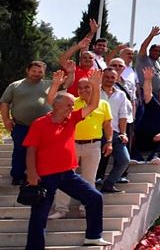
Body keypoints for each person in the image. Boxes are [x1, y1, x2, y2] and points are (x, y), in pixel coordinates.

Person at [23, 70, 111, 248]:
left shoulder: (71, 120)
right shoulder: (40, 123)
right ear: (56, 105)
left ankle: (93, 236)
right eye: (69, 105)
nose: (72, 108)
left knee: (94, 198)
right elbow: (31, 150)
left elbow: (93, 106)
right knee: (39, 215)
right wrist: (32, 173)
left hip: (68, 174)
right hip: (45, 176)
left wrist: (95, 85)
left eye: (72, 106)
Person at [48, 73, 113, 220]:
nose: (83, 90)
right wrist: (56, 85)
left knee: (89, 178)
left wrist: (109, 141)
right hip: (71, 145)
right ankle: (61, 209)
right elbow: (52, 102)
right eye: (80, 88)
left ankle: (86, 207)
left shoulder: (104, 104)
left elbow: (107, 125)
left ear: (94, 88)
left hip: (93, 145)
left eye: (87, 87)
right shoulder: (72, 102)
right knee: (64, 178)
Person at [1, 61, 55, 186]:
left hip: (43, 127)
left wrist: (71, 71)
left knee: (42, 152)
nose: (36, 74)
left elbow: (68, 83)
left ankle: (41, 175)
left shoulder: (50, 84)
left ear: (44, 73)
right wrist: (6, 120)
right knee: (20, 151)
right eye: (34, 71)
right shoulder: (15, 85)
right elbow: (4, 102)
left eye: (40, 72)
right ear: (27, 70)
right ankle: (18, 176)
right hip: (21, 125)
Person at [94, 68, 130, 193]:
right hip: (96, 132)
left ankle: (108, 184)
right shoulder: (93, 91)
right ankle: (92, 184)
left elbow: (123, 115)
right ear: (102, 77)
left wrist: (123, 133)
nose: (109, 79)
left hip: (114, 132)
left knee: (124, 160)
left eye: (112, 77)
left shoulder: (121, 94)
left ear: (116, 79)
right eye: (107, 77)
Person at [60, 31, 96, 96]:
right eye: (84, 57)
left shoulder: (97, 73)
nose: (87, 59)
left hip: (88, 104)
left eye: (90, 58)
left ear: (94, 60)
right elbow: (63, 59)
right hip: (70, 103)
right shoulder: (72, 69)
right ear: (80, 59)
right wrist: (78, 46)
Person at [136, 26, 160, 97]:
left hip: (155, 94)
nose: (157, 52)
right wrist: (151, 35)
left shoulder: (158, 64)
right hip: (143, 92)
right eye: (155, 50)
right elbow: (143, 47)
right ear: (150, 50)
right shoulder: (144, 58)